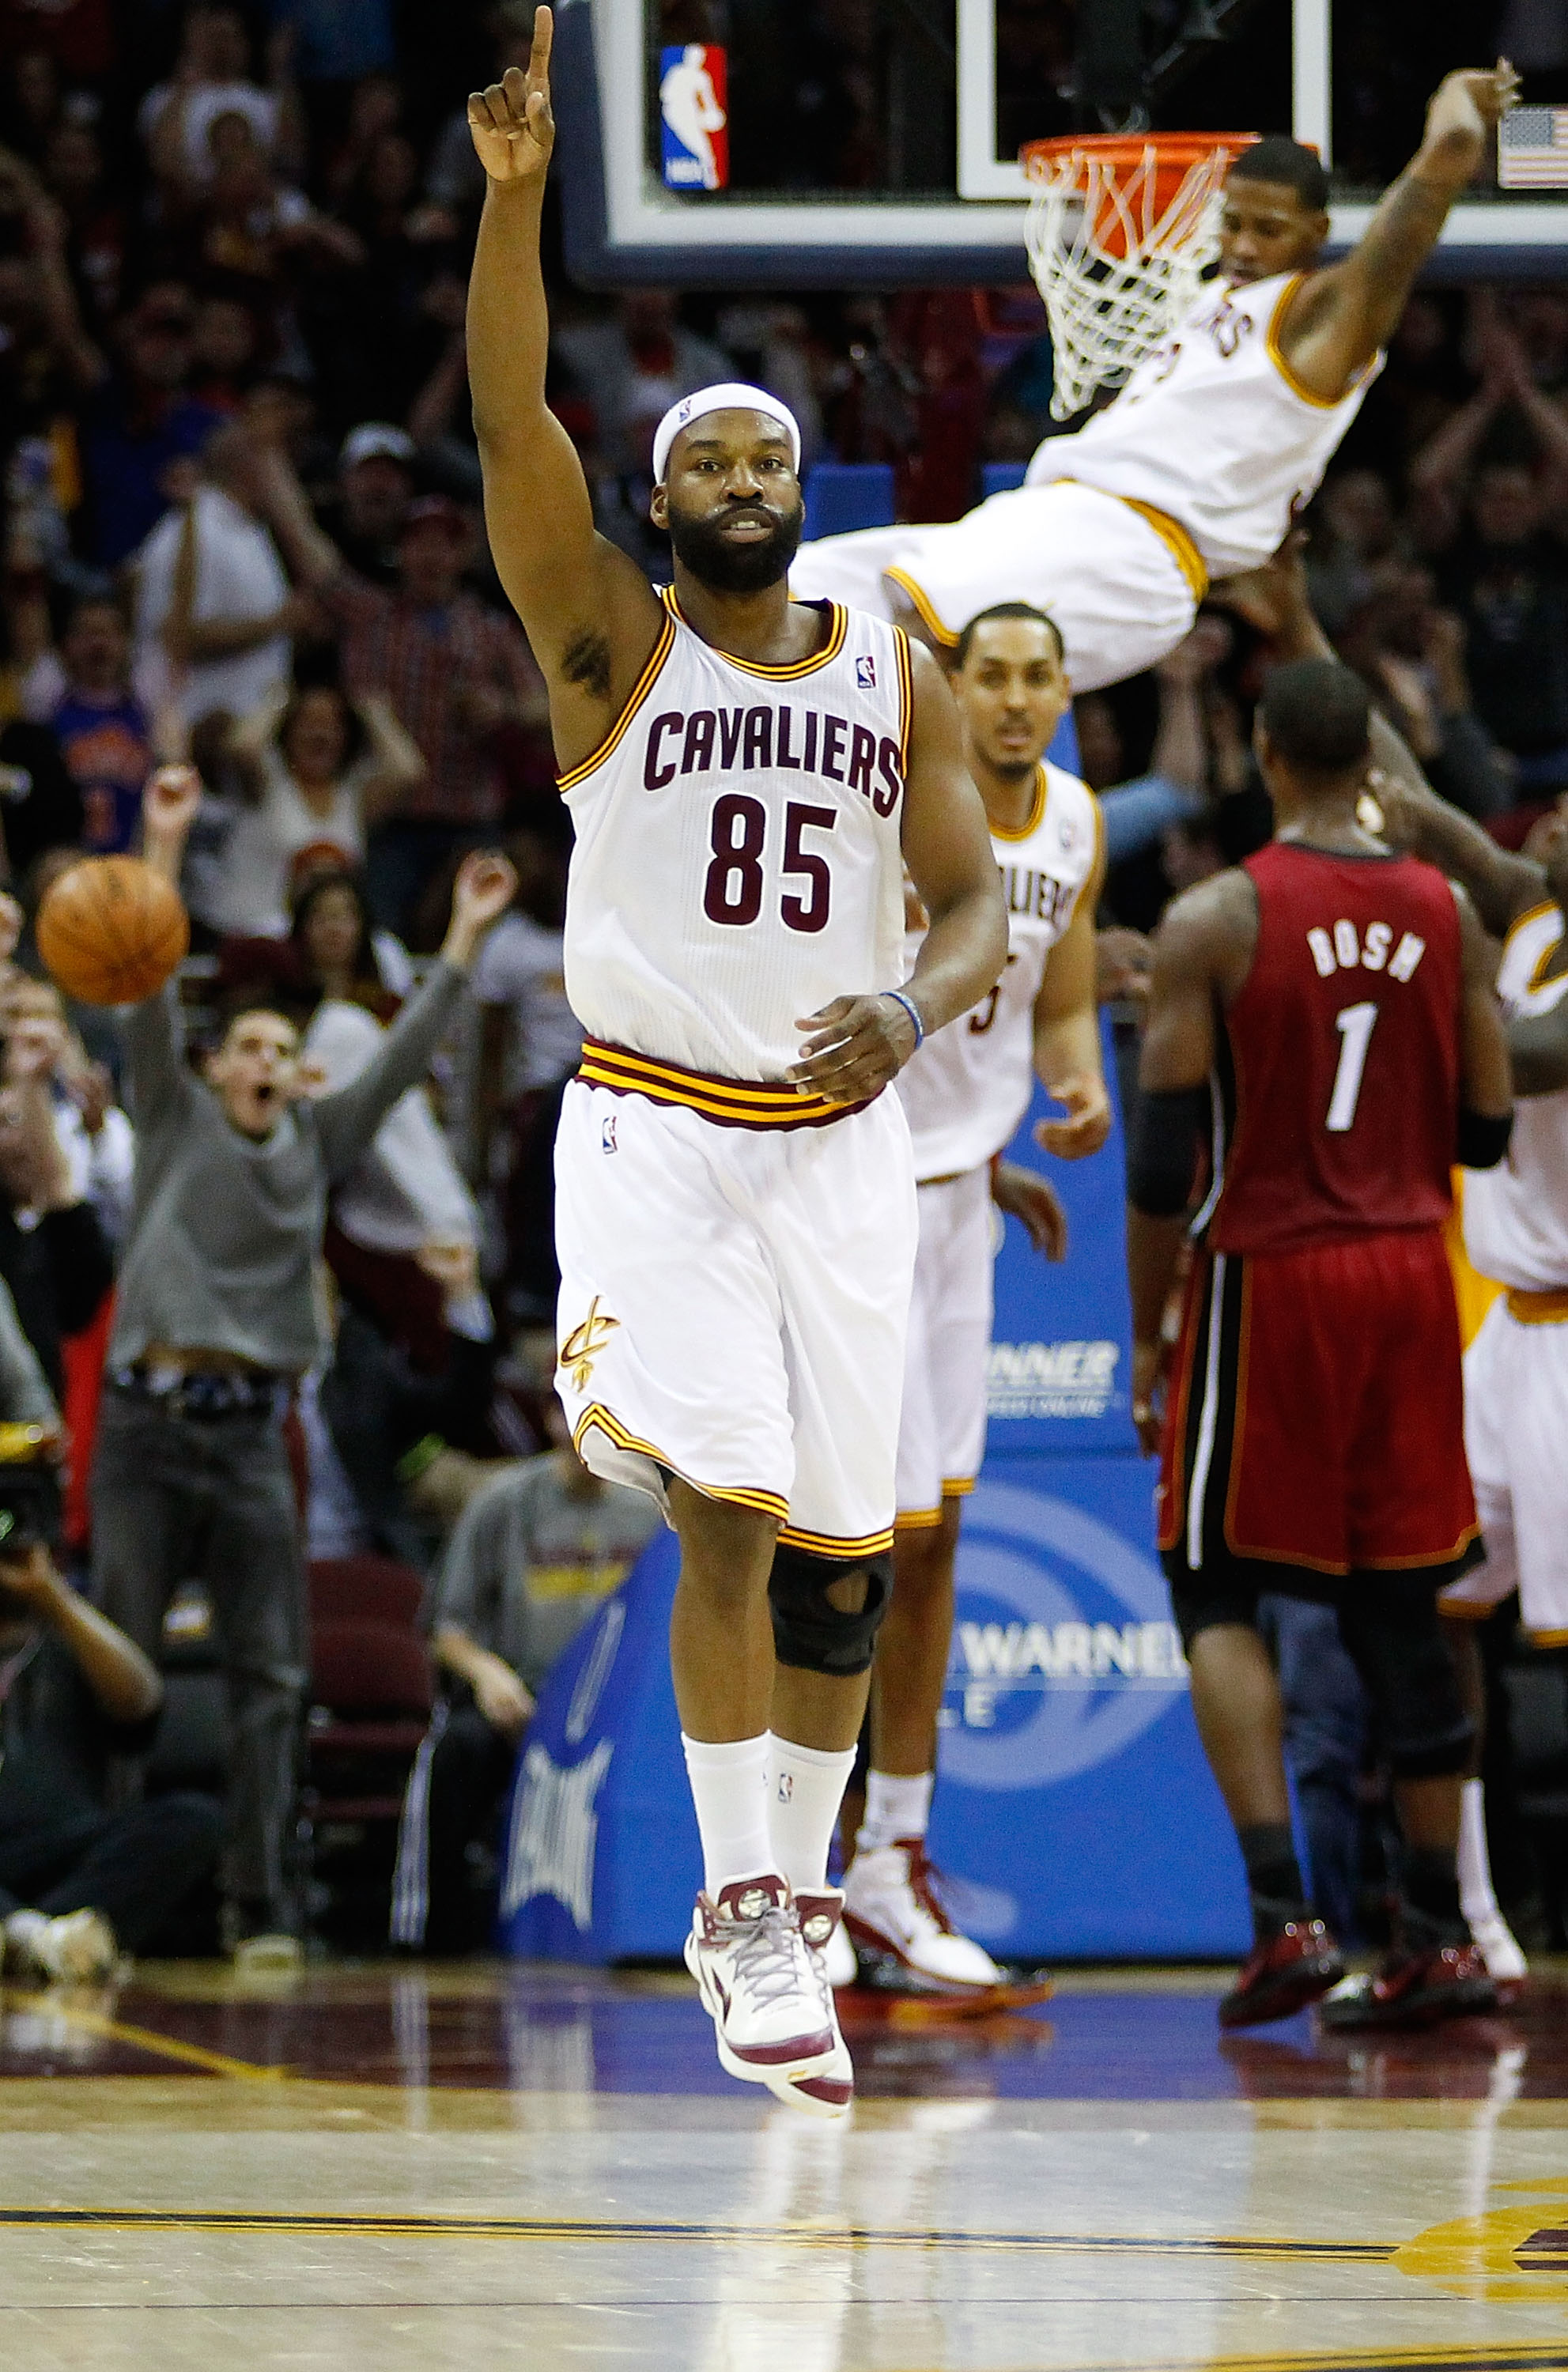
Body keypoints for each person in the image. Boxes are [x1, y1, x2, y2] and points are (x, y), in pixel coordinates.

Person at [465, 12, 1007, 2116]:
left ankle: (777, 1891)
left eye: (766, 461)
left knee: (843, 1566)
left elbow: (963, 906)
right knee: (724, 1516)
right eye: (705, 461)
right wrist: (516, 203)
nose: (741, 484)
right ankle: (743, 1904)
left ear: (804, 489)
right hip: (660, 1140)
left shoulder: (894, 664)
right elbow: (508, 412)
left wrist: (923, 998)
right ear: (662, 495)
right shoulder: (608, 639)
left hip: (840, 1142)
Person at [1127, 655, 1513, 2030]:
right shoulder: (1447, 910)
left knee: (1213, 1585)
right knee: (1404, 1610)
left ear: (1259, 751)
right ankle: (1434, 1935)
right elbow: (1483, 1130)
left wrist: (1145, 1336)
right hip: (1411, 1272)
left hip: (1270, 1274)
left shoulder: (1214, 918)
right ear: (1374, 761)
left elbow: (1161, 1170)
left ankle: (1281, 1916)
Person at [91, 761, 515, 1966]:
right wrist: (162, 844)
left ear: (299, 1074)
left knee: (271, 1673)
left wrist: (467, 934)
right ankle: (105, 1897)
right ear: (220, 1065)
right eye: (252, 1046)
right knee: (122, 1664)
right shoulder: (170, 1117)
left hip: (246, 1432)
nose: (269, 1061)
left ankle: (261, 1911)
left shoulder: (317, 1143)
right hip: (143, 1424)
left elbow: (408, 1050)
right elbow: (140, 992)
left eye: (285, 1048)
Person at [789, 65, 1520, 690]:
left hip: (1135, 550)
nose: (1239, 245)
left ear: (1316, 237)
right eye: (1231, 223)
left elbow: (1429, 189)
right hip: (1064, 514)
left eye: (1267, 230)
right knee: (797, 595)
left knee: (919, 642)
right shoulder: (1210, 299)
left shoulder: (1317, 325)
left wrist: (1457, 97)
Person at [838, 600, 1110, 1994]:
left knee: (930, 1544)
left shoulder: (1073, 818)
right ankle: (799, 1873)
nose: (1011, 700)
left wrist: (1076, 1087)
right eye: (986, 676)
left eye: (1033, 676)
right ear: (954, 690)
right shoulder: (890, 807)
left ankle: (889, 1859)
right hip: (859, 1194)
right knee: (839, 1546)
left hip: (959, 1208)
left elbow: (1056, 1002)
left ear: (1067, 688)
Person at [1371, 747, 1568, 1998]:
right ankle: (1463, 1919)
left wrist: (1384, 971)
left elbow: (1526, 1061)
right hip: (1502, 1338)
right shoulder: (1534, 918)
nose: (1553, 817)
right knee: (1439, 1596)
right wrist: (1295, 628)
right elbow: (1430, 819)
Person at [390, 1399, 662, 1952]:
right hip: (524, 1701)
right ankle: (430, 1935)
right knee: (458, 1749)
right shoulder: (501, 1503)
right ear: (551, 1419)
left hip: (621, 1711)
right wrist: (489, 1675)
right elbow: (447, 1628)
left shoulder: (653, 1512)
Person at [0, 1329, 225, 1986]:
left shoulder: (68, 1630)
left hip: (61, 1848)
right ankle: (46, 1937)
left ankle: (35, 1935)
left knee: (190, 1821)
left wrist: (55, 1600)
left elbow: (141, 1705)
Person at [208, 681, 425, 937]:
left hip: (318, 946)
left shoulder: (353, 796)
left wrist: (373, 713)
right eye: (308, 723)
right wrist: (277, 701)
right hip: (251, 937)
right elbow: (243, 748)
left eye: (333, 725)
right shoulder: (267, 783)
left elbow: (409, 772)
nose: (321, 734)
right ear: (287, 731)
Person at [47, 594, 155, 857]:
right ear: (68, 644)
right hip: (73, 861)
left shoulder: (148, 714)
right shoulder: (49, 712)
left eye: (107, 633)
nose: (98, 644)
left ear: (125, 642)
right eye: (87, 634)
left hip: (137, 857)